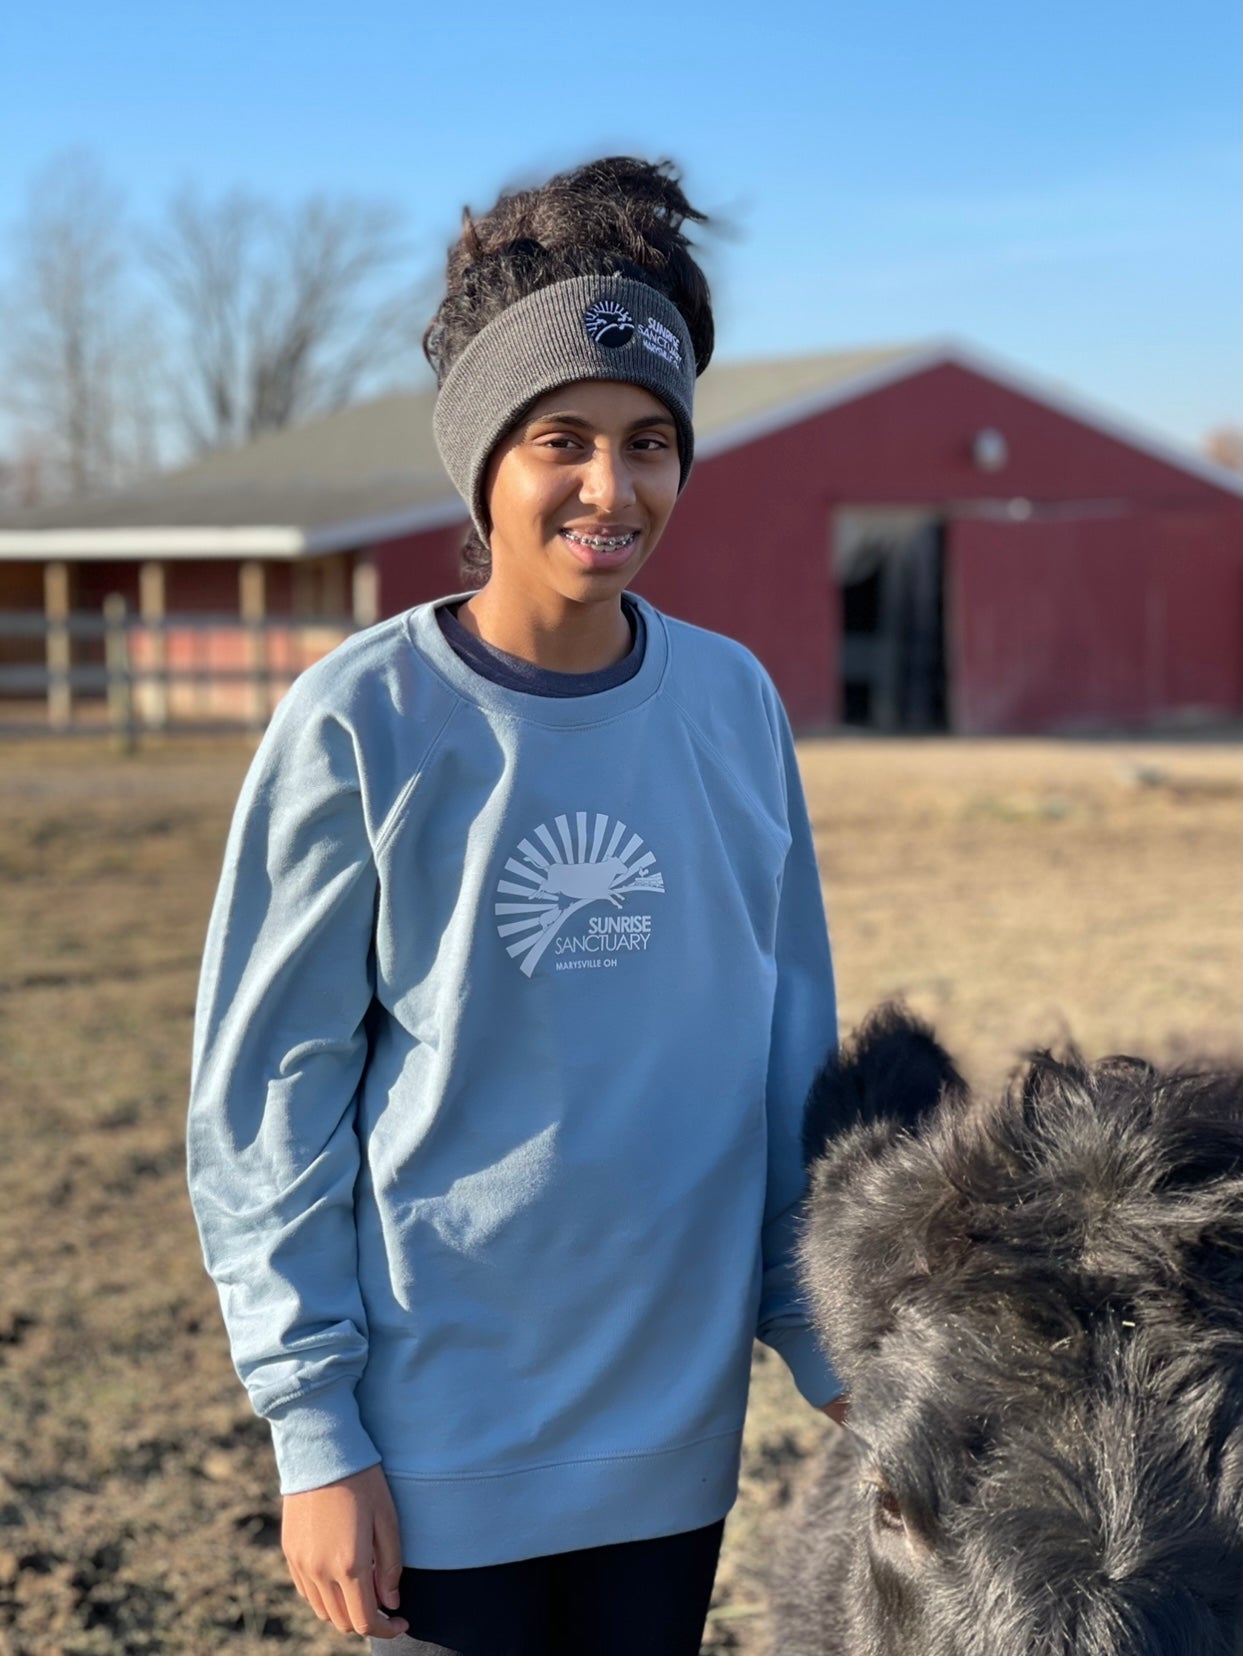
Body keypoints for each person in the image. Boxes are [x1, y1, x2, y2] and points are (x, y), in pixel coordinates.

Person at [186, 155, 846, 1656]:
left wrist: (819, 1327)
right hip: (435, 1450)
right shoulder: (363, 723)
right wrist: (312, 1429)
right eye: (565, 439)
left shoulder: (734, 706)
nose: (613, 489)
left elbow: (789, 1043)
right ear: (483, 457)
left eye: (650, 444)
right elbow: (265, 1096)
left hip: (674, 1447)